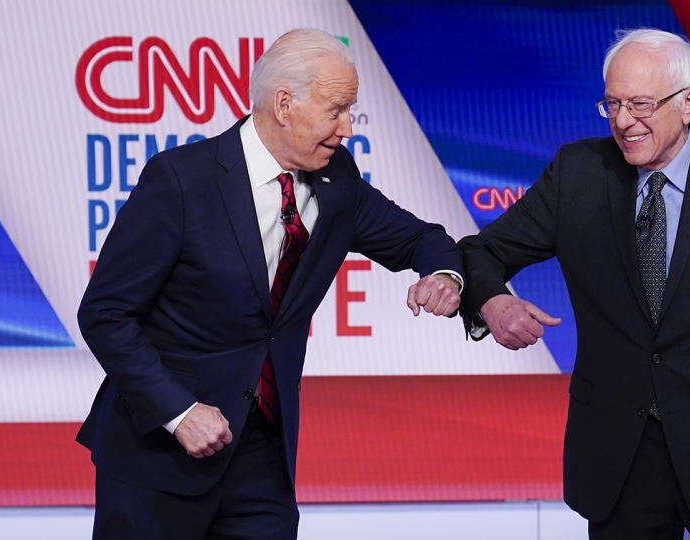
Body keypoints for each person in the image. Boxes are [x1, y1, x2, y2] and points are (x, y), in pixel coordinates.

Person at [77, 28, 463, 539]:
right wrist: (178, 411)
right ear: (284, 104)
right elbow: (105, 313)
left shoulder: (337, 180)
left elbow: (420, 238)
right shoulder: (181, 181)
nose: (348, 126)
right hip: (159, 457)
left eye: (351, 110)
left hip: (262, 461)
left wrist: (443, 273)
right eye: (336, 110)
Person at [458, 28, 690, 539]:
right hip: (620, 460)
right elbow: (481, 251)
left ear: (689, 102)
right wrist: (493, 301)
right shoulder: (579, 173)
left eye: (639, 104)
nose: (622, 121)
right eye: (610, 103)